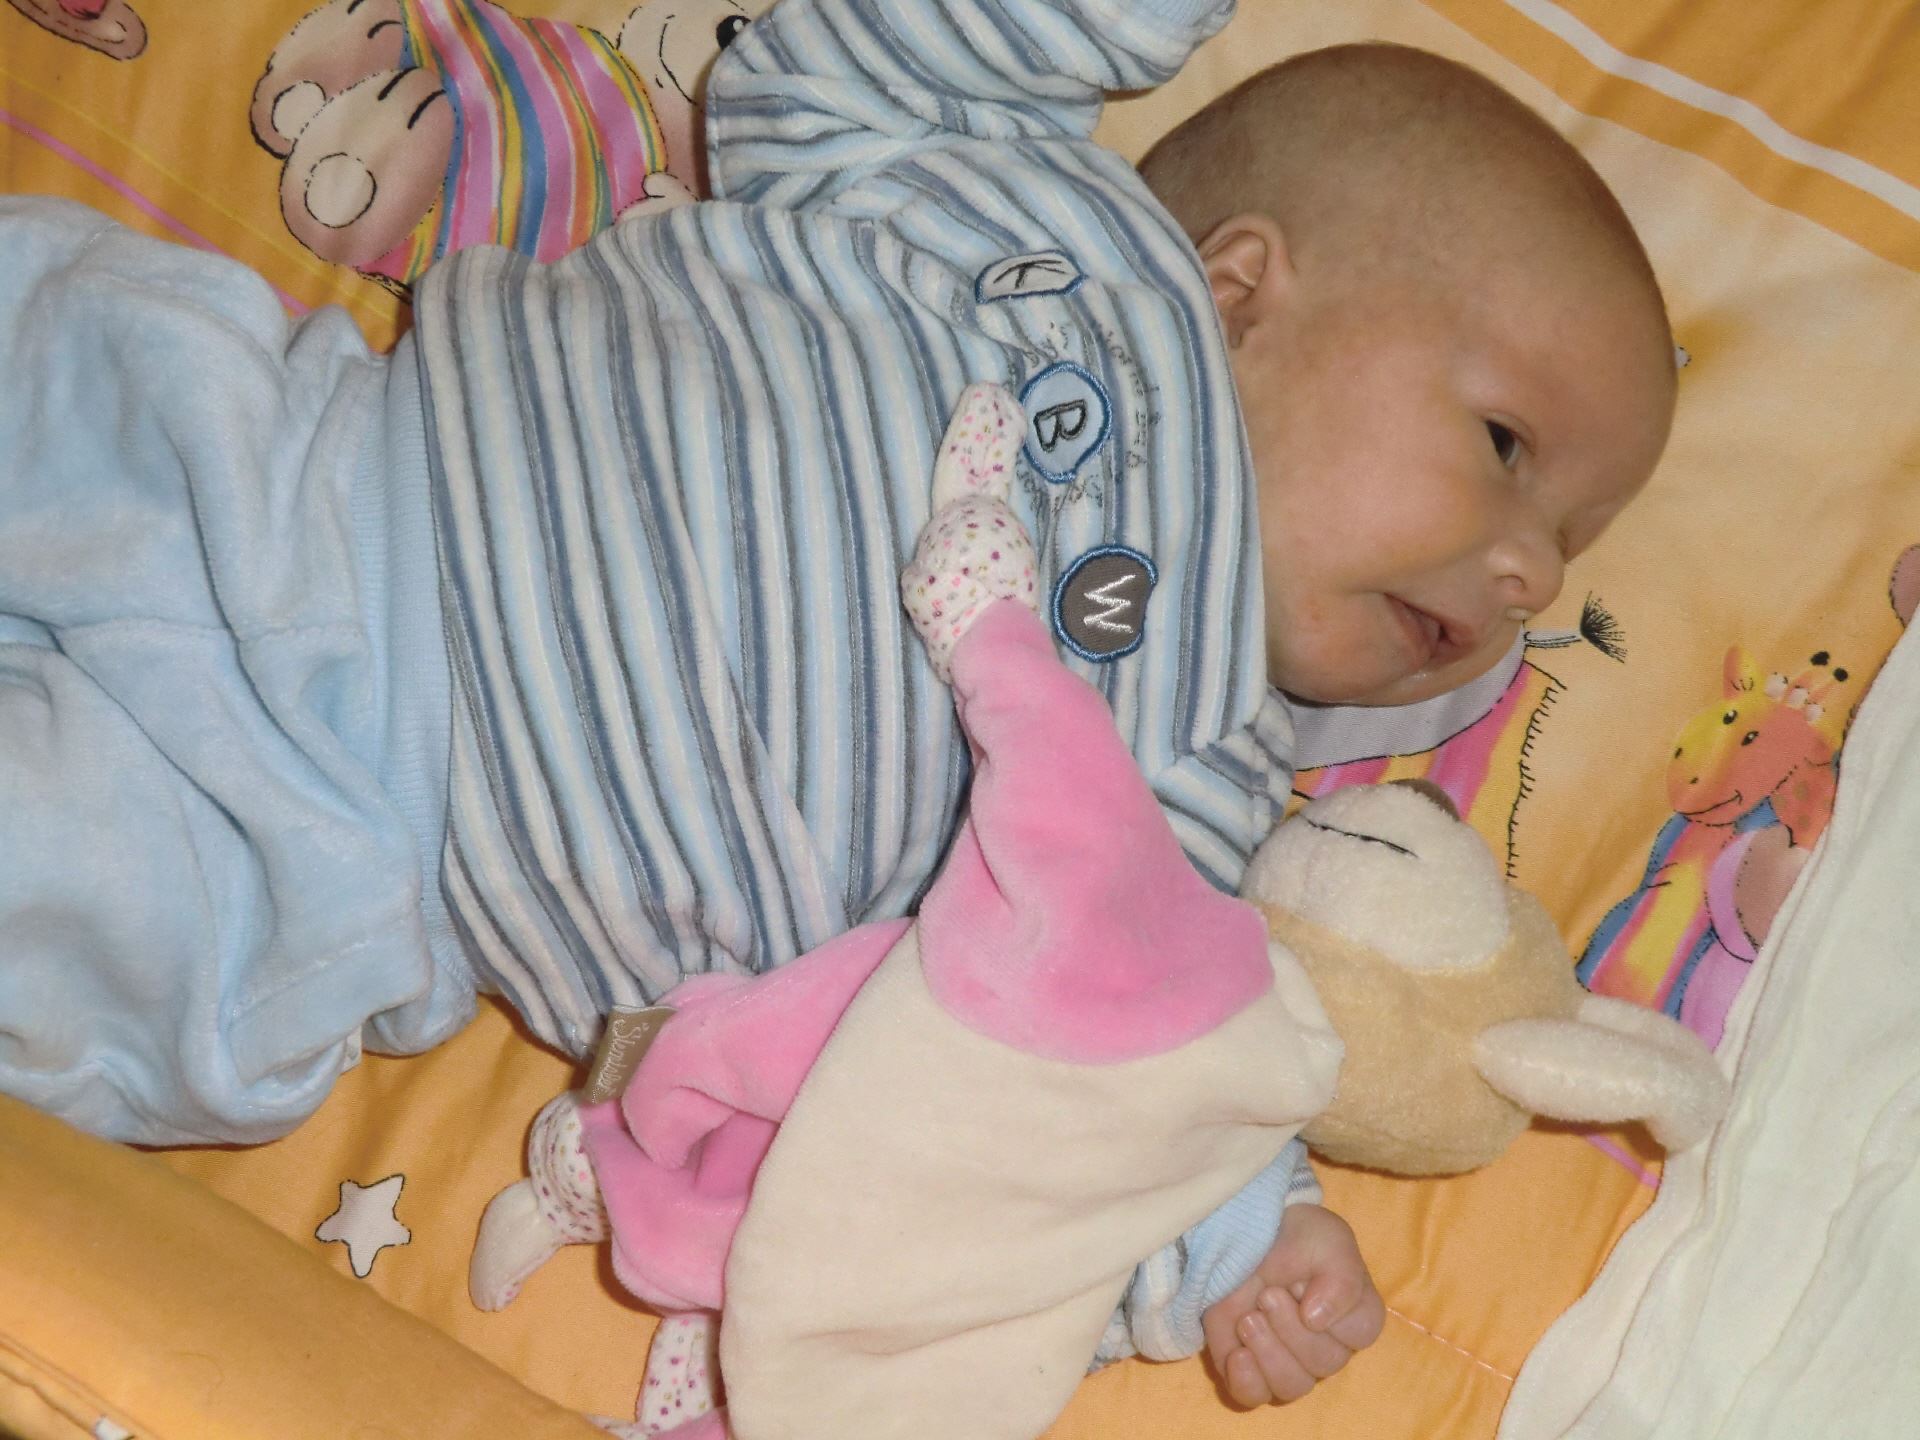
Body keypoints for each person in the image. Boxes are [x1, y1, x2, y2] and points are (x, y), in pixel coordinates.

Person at [0, 0, 1674, 1410]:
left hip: (366, 870)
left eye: (1569, 547)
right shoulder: (1028, 218)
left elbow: (1107, 1066)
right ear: (1239, 286)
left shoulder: (1197, 785)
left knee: (78, 904)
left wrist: (1246, 1232)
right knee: (49, 362)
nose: (1527, 571)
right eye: (1506, 447)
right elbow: (848, 56)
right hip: (308, 464)